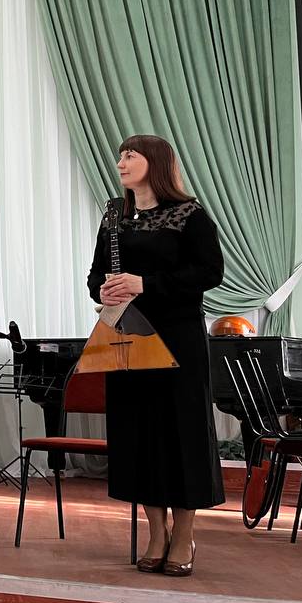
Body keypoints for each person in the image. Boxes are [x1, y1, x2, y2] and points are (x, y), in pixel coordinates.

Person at [88, 134, 224, 577]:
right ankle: (156, 533)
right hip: (128, 336)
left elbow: (210, 272)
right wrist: (104, 290)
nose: (121, 162)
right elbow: (95, 276)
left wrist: (144, 284)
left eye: (131, 155)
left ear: (157, 162)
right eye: (121, 155)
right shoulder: (114, 215)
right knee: (138, 434)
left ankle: (184, 534)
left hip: (178, 337)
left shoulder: (189, 214)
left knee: (182, 433)